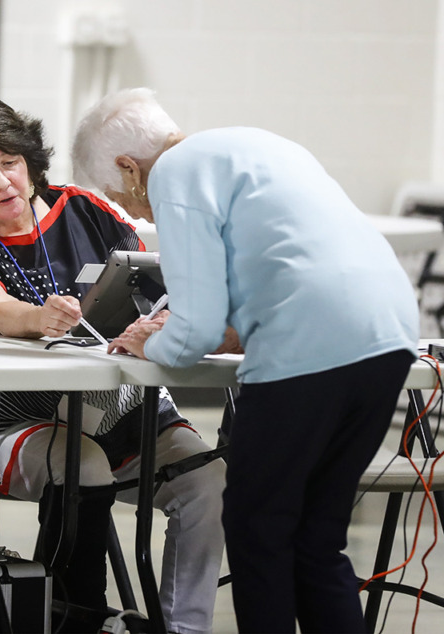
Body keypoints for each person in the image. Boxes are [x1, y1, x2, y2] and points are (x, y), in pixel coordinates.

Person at [74, 87, 419, 633]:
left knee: (258, 528)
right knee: (316, 538)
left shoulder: (173, 175)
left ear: (128, 167)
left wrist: (148, 340)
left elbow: (194, 334)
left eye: (122, 196)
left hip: (307, 351)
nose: (132, 211)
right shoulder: (253, 145)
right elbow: (274, 277)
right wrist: (217, 328)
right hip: (390, 337)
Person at [0, 93, 225, 634]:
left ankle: (185, 628)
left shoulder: (88, 208)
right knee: (81, 462)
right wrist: (36, 316)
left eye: (10, 163)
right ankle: (77, 620)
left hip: (121, 410)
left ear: (31, 163)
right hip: (0, 424)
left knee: (210, 481)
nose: (3, 183)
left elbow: (151, 281)